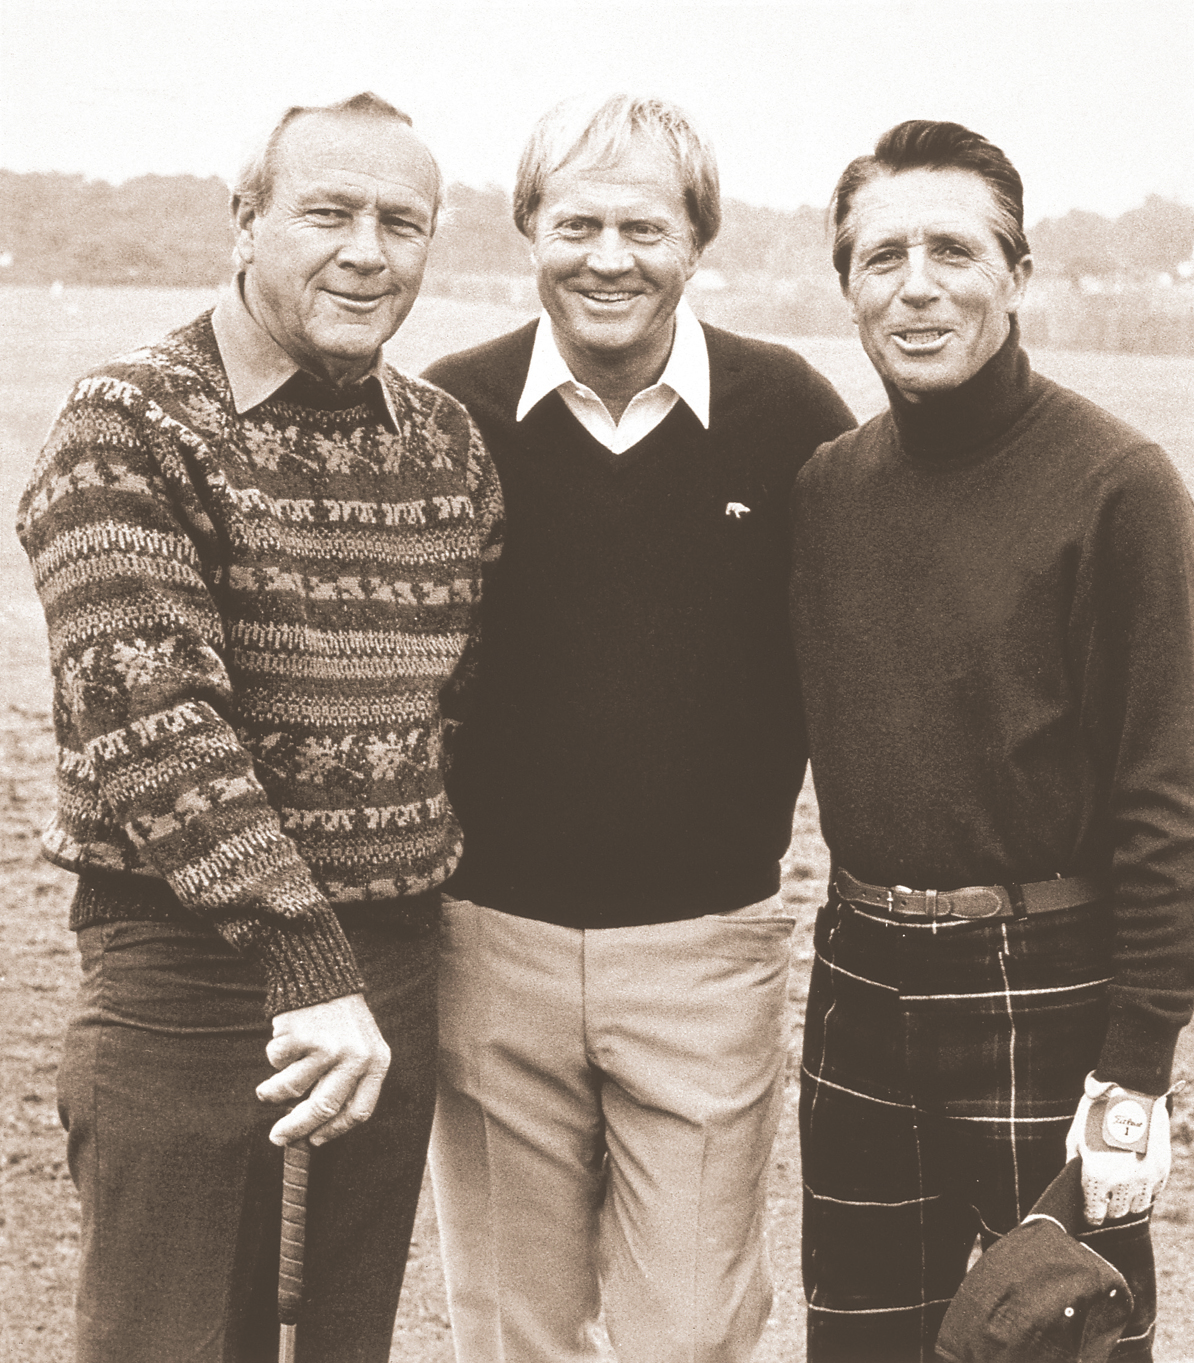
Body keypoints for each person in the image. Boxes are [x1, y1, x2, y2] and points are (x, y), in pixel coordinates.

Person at [16, 92, 501, 1363]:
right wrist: (304, 957)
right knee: (166, 1340)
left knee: (338, 1342)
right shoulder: (129, 423)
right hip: (184, 974)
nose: (367, 252)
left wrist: (364, 969)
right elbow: (151, 719)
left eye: (401, 223)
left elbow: (456, 708)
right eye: (328, 213)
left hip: (386, 972)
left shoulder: (446, 445)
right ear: (245, 222)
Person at [421, 93, 855, 1363]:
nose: (607, 258)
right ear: (528, 229)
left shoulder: (790, 416)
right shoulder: (447, 414)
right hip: (487, 946)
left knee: (693, 1327)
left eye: (644, 228)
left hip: (705, 953)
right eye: (577, 225)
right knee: (512, 1325)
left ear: (696, 241)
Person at [789, 119, 1194, 1363]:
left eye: (952, 251)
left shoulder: (1118, 486)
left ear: (1015, 276)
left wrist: (1136, 1064)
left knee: (1061, 1340)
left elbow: (1168, 790)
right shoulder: (827, 488)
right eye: (881, 257)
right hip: (858, 981)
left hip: (1048, 989)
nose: (915, 286)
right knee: (859, 1341)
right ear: (848, 286)